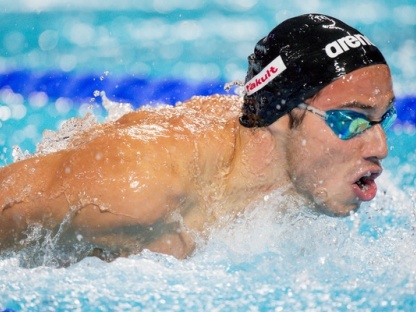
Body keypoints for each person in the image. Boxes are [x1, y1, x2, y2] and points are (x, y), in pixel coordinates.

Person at [0, 14, 396, 263]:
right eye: (352, 120)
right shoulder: (137, 190)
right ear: (279, 115)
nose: (381, 147)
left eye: (384, 119)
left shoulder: (293, 178)